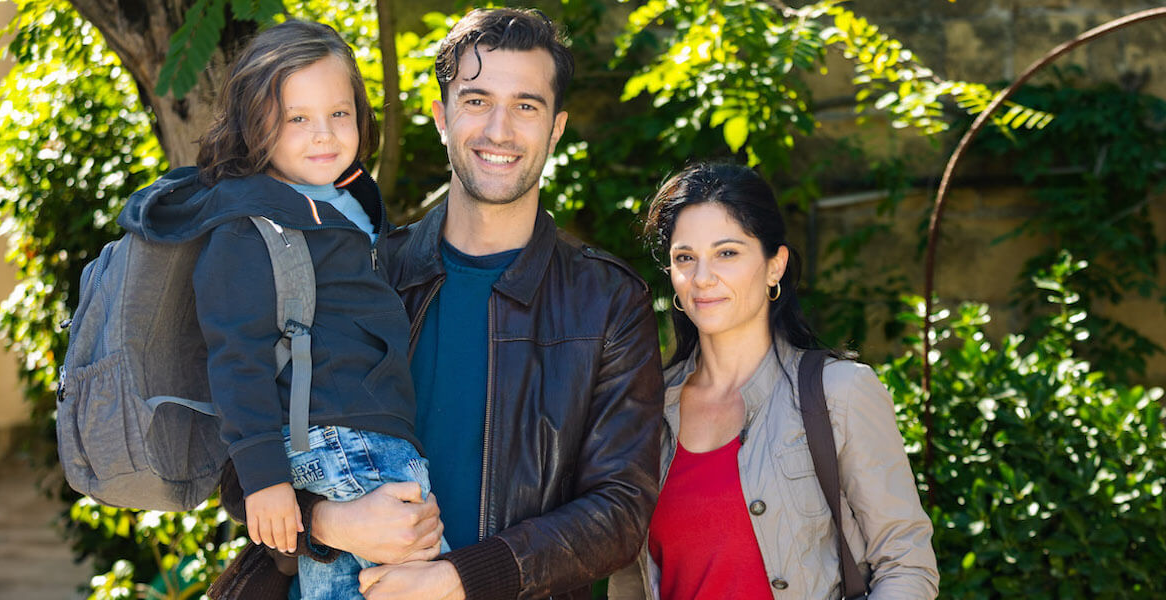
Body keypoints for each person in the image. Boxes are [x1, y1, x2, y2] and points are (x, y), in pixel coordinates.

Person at [223, 8, 662, 600]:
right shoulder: (362, 270)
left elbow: (620, 514)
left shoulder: (607, 303)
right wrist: (329, 522)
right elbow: (239, 463)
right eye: (477, 101)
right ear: (441, 117)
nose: (499, 130)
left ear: (556, 128)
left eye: (526, 106)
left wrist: (458, 578)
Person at [121, 20, 445, 599]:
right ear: (256, 125)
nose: (323, 134)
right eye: (297, 118)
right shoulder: (249, 227)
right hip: (342, 446)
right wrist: (263, 478)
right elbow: (236, 356)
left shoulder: (340, 199)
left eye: (339, 114)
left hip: (367, 439)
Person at [608, 162, 939, 599]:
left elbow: (907, 565)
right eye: (685, 257)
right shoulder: (647, 408)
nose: (702, 278)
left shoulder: (840, 393)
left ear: (774, 266)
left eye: (727, 253)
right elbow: (630, 581)